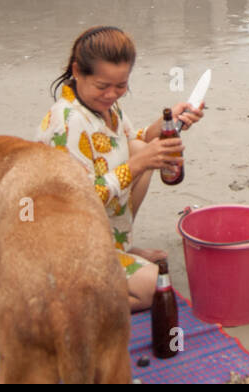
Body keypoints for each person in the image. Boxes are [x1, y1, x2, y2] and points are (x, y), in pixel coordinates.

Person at [36, 26, 203, 312]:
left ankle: (118, 247)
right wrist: (138, 162)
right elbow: (77, 200)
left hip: (91, 227)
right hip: (64, 243)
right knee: (155, 288)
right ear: (77, 71)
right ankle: (64, 299)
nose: (112, 94)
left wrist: (168, 124)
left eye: (121, 85)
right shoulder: (67, 122)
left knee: (141, 151)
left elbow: (133, 141)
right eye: (102, 86)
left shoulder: (104, 106)